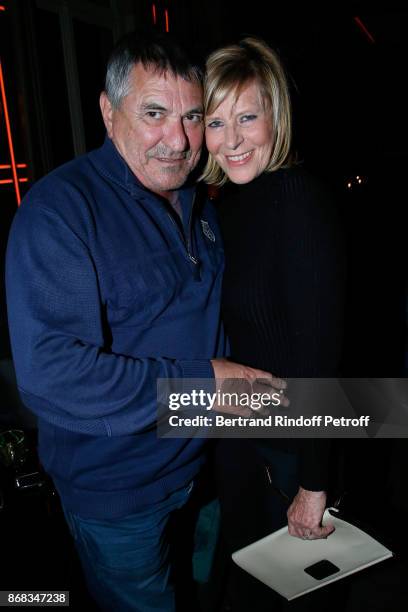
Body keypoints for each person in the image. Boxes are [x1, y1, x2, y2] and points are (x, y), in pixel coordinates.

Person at [5, 31, 284, 612]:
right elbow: (52, 375)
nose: (178, 140)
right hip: (120, 499)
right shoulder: (61, 213)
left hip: (204, 473)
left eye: (191, 117)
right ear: (108, 113)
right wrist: (207, 387)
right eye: (154, 114)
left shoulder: (196, 201)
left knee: (205, 591)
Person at [202, 37, 345, 610]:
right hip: (244, 438)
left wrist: (313, 484)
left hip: (290, 449)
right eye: (215, 121)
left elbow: (320, 355)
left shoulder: (298, 201)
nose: (232, 139)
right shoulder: (224, 206)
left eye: (247, 117)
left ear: (275, 117)